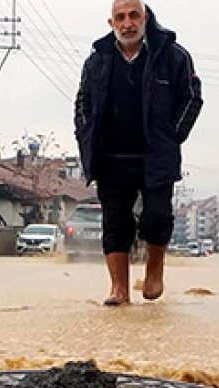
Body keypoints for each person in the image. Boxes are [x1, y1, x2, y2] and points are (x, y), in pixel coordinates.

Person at [75, 0, 203, 305]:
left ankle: (154, 269)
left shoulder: (172, 55)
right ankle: (119, 289)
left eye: (134, 15)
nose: (127, 23)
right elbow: (83, 103)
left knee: (156, 217)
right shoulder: (97, 60)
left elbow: (192, 98)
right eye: (120, 17)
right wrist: (85, 137)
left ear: (145, 18)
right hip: (111, 157)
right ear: (111, 23)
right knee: (115, 222)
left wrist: (173, 136)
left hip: (156, 154)